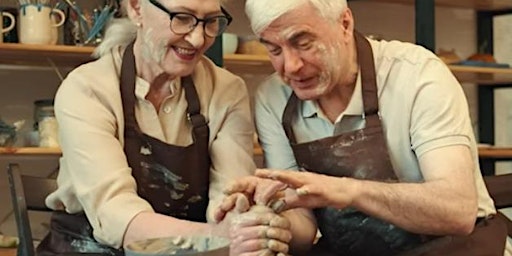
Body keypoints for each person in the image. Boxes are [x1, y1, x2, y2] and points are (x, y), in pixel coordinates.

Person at [216, 0, 512, 255]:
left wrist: (345, 190)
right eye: (274, 50)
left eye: (303, 43)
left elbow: (456, 211)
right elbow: (303, 227)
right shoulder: (273, 98)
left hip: (456, 246)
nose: (290, 66)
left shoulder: (416, 74)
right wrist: (271, 221)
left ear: (344, 23)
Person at [37, 0, 291, 255]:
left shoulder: (226, 90)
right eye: (182, 18)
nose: (197, 39)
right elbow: (116, 214)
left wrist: (246, 225)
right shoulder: (87, 89)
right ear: (136, 8)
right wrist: (218, 236)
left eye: (211, 21)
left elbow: (230, 196)